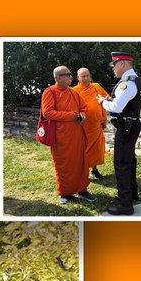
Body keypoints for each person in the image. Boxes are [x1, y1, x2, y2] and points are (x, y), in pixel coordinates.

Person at [98, 51, 141, 216]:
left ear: (122, 64)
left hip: (126, 128)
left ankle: (125, 204)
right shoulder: (135, 79)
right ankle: (132, 194)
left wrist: (103, 102)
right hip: (131, 124)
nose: (113, 69)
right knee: (130, 160)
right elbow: (125, 103)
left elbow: (117, 108)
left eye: (114, 65)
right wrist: (112, 102)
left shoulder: (127, 83)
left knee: (121, 164)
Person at [42, 66, 94, 205]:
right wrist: (71, 116)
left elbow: (83, 108)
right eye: (67, 75)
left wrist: (83, 116)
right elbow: (47, 112)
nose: (71, 77)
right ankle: (65, 192)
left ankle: (83, 190)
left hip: (77, 134)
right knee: (63, 164)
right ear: (58, 77)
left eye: (71, 75)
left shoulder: (73, 93)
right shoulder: (50, 92)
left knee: (81, 163)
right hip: (61, 136)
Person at [72, 69, 109, 181]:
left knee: (96, 149)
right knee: (83, 149)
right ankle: (83, 171)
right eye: (83, 76)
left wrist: (104, 119)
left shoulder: (96, 87)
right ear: (78, 78)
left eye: (87, 75)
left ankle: (94, 170)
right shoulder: (74, 91)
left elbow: (106, 99)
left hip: (96, 125)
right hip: (82, 127)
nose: (86, 78)